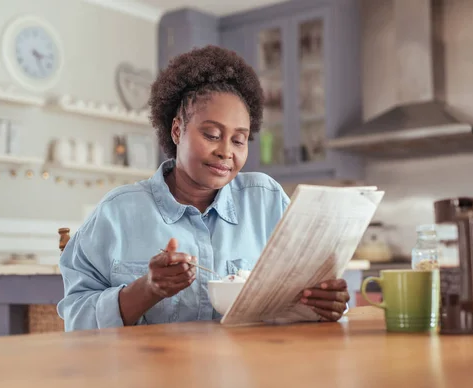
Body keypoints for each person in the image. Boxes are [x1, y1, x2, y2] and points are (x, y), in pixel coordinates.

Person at [57, 45, 349, 331]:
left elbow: (310, 297)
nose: (226, 152)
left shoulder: (266, 201)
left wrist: (328, 305)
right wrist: (147, 289)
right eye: (211, 135)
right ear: (176, 130)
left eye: (239, 140)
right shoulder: (118, 212)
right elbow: (76, 317)